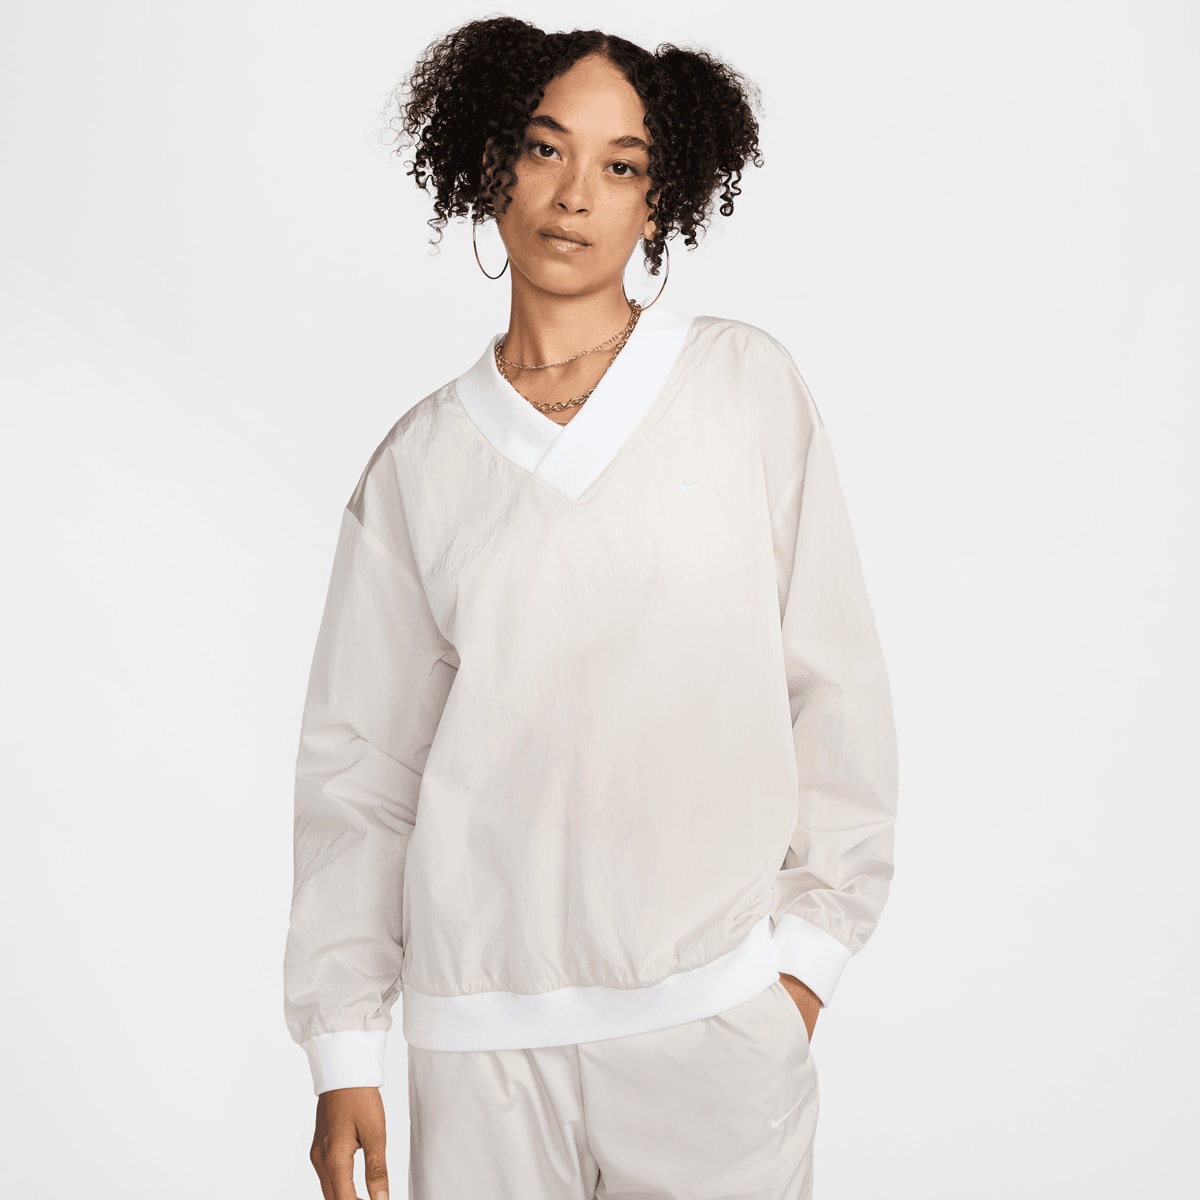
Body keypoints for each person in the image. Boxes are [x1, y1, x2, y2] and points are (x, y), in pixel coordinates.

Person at [283, 15, 898, 1200]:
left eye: (621, 166)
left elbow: (833, 682)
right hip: (479, 1050)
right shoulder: (419, 465)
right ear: (489, 166)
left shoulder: (741, 388)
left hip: (713, 1028)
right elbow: (360, 771)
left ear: (662, 204)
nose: (575, 195)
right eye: (544, 148)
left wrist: (802, 970)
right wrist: (344, 1046)